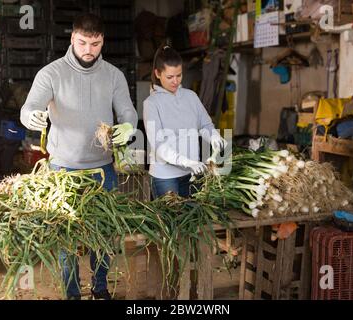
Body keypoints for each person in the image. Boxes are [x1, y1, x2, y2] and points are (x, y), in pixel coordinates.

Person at [20, 13, 138, 300]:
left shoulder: (113, 75)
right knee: (66, 237)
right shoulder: (51, 73)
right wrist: (30, 116)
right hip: (63, 170)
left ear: (102, 42)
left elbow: (128, 112)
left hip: (102, 170)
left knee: (104, 233)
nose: (88, 50)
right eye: (83, 42)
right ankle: (72, 292)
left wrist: (128, 126)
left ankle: (100, 288)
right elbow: (29, 106)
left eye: (95, 44)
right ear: (72, 38)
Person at [143, 45, 226, 199]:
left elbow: (205, 124)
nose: (175, 81)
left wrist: (214, 137)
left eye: (179, 75)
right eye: (170, 77)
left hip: (192, 174)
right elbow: (159, 146)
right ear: (158, 73)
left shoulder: (191, 97)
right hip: (165, 177)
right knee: (171, 221)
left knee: (193, 219)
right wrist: (188, 162)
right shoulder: (151, 103)